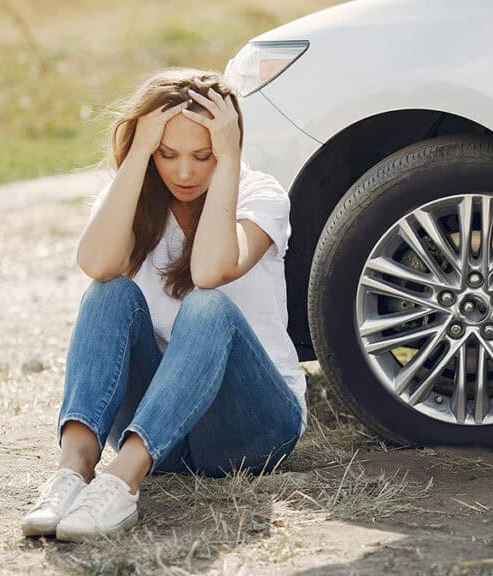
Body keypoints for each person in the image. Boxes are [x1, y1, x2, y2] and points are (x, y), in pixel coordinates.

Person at [21, 68, 307, 541]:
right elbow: (95, 262)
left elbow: (210, 271)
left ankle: (121, 481)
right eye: (167, 154)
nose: (185, 172)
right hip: (163, 434)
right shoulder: (132, 198)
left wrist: (230, 160)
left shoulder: (261, 196)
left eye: (203, 155)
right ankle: (73, 472)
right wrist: (137, 152)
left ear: (227, 146)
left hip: (253, 426)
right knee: (108, 290)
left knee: (207, 305)